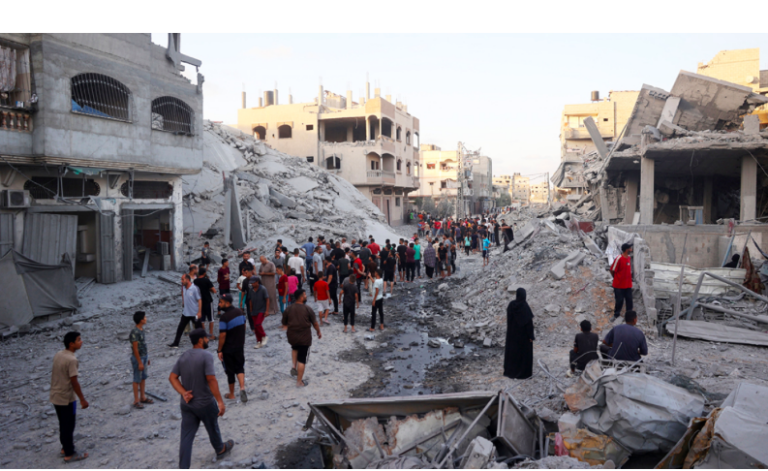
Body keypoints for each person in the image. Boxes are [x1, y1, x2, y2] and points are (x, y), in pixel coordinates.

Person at [169, 329, 234, 469]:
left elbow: (172, 377)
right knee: (212, 426)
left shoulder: (184, 356)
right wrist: (220, 401)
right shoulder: (206, 355)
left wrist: (184, 393)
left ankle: (183, 467)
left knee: (186, 437)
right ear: (200, 340)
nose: (208, 340)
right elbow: (211, 379)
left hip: (187, 405)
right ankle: (220, 449)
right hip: (205, 403)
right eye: (206, 338)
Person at [50, 331, 89, 463]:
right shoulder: (72, 360)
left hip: (55, 395)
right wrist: (82, 399)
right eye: (78, 340)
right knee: (69, 425)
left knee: (63, 423)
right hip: (66, 398)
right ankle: (69, 453)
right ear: (71, 344)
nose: (81, 342)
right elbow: (74, 382)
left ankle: (65, 447)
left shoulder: (59, 354)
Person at [281, 289, 322, 388]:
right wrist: (318, 331)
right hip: (304, 338)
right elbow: (315, 323)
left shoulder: (289, 308)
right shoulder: (308, 309)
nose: (306, 296)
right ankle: (299, 382)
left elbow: (284, 322)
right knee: (302, 359)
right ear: (301, 297)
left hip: (292, 336)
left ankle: (293, 366)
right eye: (304, 294)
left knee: (295, 348)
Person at [217, 294, 247, 403]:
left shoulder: (224, 318)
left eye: (221, 302)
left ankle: (232, 394)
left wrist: (219, 350)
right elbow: (244, 326)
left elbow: (222, 335)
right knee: (239, 367)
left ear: (227, 303)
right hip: (239, 346)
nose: (219, 304)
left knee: (230, 371)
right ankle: (242, 387)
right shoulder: (240, 312)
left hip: (228, 348)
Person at [504, 288, 535, 379]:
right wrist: (531, 336)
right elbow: (529, 323)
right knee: (524, 355)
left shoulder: (511, 305)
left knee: (513, 354)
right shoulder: (524, 307)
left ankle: (511, 372)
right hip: (523, 337)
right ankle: (523, 374)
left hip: (512, 336)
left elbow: (509, 320)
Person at [169, 274, 202, 348]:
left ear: (187, 280)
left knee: (199, 329)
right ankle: (176, 343)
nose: (181, 281)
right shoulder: (184, 287)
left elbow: (199, 300)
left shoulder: (194, 288)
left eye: (182, 279)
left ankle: (203, 343)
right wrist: (183, 302)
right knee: (180, 328)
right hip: (186, 313)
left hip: (194, 313)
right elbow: (183, 295)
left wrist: (199, 312)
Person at [130, 311, 153, 409]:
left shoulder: (141, 330)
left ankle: (142, 397)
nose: (146, 318)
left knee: (143, 377)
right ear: (141, 320)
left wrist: (146, 358)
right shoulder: (135, 332)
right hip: (138, 358)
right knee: (137, 379)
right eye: (145, 317)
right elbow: (135, 349)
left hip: (143, 357)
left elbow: (143, 345)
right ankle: (136, 400)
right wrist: (140, 362)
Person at [610, 243, 633, 320]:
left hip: (628, 285)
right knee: (619, 301)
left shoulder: (629, 258)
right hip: (619, 285)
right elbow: (612, 269)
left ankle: (629, 316)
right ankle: (616, 315)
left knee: (629, 301)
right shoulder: (619, 258)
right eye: (630, 248)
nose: (631, 250)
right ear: (626, 250)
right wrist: (616, 278)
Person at [194, 268, 217, 340]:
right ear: (204, 273)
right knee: (211, 319)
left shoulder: (195, 281)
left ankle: (204, 335)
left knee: (202, 320)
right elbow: (214, 290)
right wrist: (208, 288)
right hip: (208, 301)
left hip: (199, 302)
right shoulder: (207, 280)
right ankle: (211, 335)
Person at [249, 276, 270, 349]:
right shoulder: (251, 290)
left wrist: (267, 310)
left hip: (262, 310)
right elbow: (250, 300)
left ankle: (264, 336)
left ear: (257, 282)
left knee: (258, 324)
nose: (252, 284)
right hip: (254, 310)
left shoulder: (263, 289)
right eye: (251, 283)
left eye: (253, 283)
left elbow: (267, 299)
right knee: (255, 326)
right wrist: (250, 310)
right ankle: (258, 341)